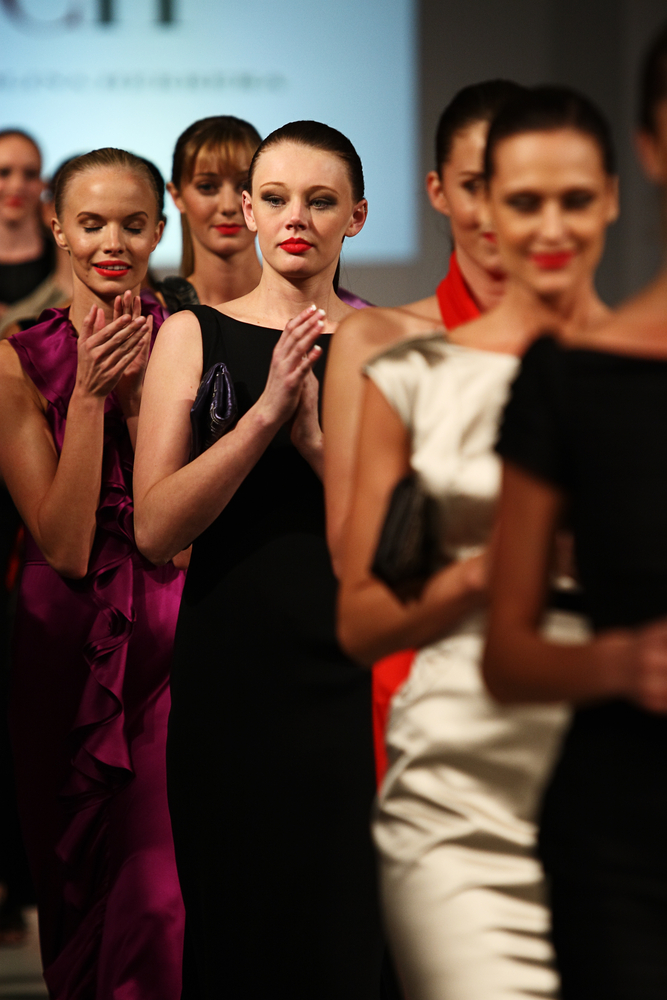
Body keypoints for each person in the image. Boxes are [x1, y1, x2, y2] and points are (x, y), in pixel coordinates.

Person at [336, 86, 619, 1000]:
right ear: (461, 196)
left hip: (614, 745)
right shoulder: (404, 362)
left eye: (569, 197)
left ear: (610, 197)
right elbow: (363, 594)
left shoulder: (636, 365)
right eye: (509, 194)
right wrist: (490, 568)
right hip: (456, 750)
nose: (536, 223)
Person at [133, 120, 382, 999]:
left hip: (349, 669)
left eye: (320, 201)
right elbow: (155, 531)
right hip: (230, 673)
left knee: (346, 933)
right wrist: (263, 418)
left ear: (356, 216)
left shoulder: (384, 342)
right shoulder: (191, 334)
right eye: (275, 198)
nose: (295, 218)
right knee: (237, 932)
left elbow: (402, 537)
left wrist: (313, 443)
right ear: (247, 209)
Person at [484, 26, 667, 1000]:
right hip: (627, 839)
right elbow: (508, 651)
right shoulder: (571, 378)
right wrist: (619, 662)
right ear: (650, 149)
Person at [0, 147, 185, 999]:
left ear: (159, 229)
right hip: (60, 640)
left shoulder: (190, 342)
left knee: (158, 894)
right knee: (69, 885)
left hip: (168, 631)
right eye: (92, 222)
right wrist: (87, 395)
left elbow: (174, 536)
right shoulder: (16, 360)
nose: (112, 242)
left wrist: (141, 393)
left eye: (133, 224)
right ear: (58, 228)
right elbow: (67, 545)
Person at [323, 80, 522, 781]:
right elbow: (351, 557)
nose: (494, 211)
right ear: (438, 191)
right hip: (429, 683)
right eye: (474, 185)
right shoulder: (377, 340)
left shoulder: (591, 346)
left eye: (517, 186)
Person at [162, 114, 370, 314]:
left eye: (319, 202)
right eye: (207, 186)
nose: (228, 206)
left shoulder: (365, 321)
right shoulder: (156, 315)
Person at [0, 129, 59, 337]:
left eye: (30, 174)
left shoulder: (63, 257)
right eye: (4, 172)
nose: (17, 185)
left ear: (43, 183)